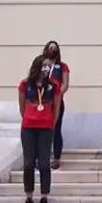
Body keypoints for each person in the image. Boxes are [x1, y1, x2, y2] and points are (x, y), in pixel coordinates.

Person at [18, 55, 62, 203]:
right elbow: (22, 106)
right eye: (44, 65)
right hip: (28, 128)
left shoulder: (54, 85)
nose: (46, 69)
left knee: (44, 164)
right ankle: (29, 197)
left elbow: (56, 108)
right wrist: (28, 119)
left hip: (46, 128)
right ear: (37, 66)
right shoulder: (25, 84)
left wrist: (51, 123)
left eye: (49, 66)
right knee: (29, 163)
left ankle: (44, 198)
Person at [42, 41, 70, 170]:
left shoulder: (62, 66)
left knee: (56, 129)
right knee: (42, 130)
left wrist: (57, 95)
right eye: (50, 47)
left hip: (57, 102)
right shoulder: (41, 64)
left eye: (55, 48)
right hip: (42, 102)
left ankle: (56, 158)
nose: (53, 50)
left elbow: (65, 84)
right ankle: (42, 157)